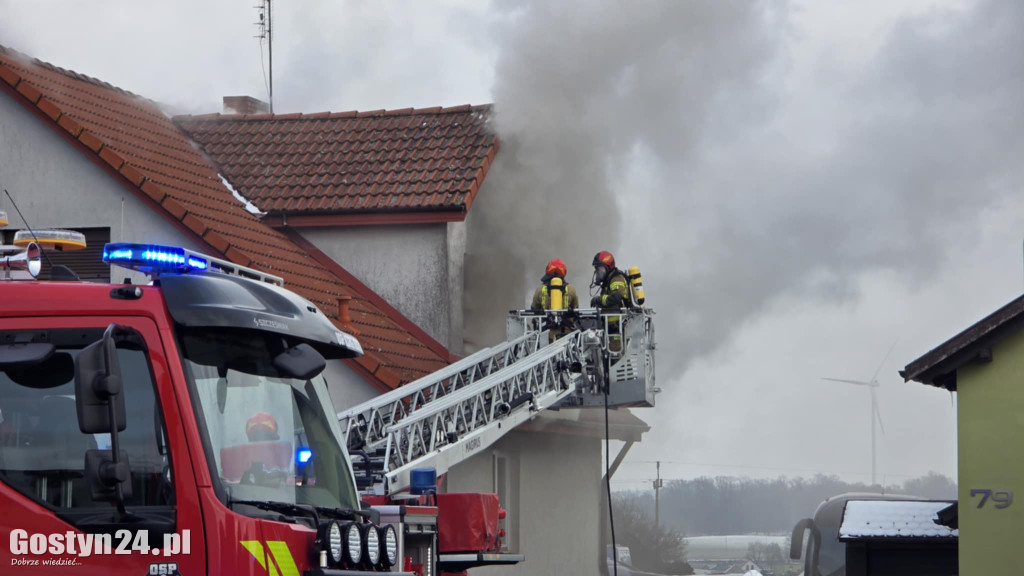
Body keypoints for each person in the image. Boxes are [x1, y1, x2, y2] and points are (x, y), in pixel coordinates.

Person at [589, 251, 629, 352]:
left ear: (608, 267)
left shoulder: (616, 279)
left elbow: (616, 297)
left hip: (617, 328)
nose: (597, 272)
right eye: (596, 269)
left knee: (616, 357)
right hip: (609, 327)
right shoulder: (608, 281)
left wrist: (599, 299)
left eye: (599, 268)